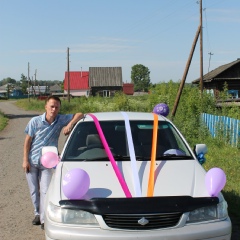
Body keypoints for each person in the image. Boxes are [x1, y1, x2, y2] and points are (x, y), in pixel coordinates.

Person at [22, 96, 84, 230]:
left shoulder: (60, 119)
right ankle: (37, 213)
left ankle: (44, 220)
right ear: (45, 107)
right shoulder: (35, 121)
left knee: (45, 191)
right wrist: (25, 160)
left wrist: (69, 124)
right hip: (32, 161)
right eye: (51, 106)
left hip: (48, 163)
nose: (54, 109)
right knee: (34, 191)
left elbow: (80, 114)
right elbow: (27, 142)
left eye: (56, 107)